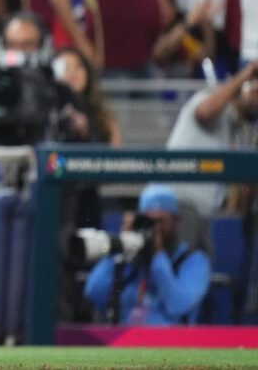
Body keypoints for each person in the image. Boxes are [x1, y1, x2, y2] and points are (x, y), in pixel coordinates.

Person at [84, 185, 211, 324]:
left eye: (160, 221)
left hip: (171, 342)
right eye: (148, 222)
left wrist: (158, 255)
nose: (155, 229)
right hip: (123, 340)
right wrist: (120, 248)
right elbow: (94, 293)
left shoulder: (193, 261)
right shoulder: (128, 259)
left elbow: (178, 306)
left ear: (176, 221)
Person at [166, 61, 258, 217]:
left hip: (204, 211)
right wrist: (246, 74)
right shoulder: (208, 98)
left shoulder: (238, 132)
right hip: (177, 202)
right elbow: (203, 113)